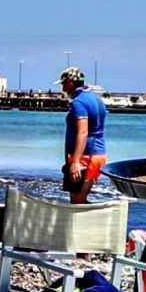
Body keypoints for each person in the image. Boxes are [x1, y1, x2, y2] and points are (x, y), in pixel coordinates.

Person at [60, 66, 108, 202]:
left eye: (64, 84)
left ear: (70, 83)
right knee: (81, 197)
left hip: (85, 156)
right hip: (98, 154)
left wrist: (75, 162)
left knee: (76, 199)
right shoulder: (96, 99)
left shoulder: (79, 102)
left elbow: (83, 132)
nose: (63, 89)